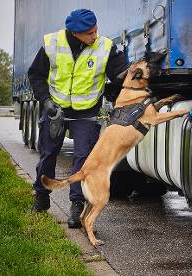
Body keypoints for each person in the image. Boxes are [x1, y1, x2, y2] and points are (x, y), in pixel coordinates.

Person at [28, 8, 128, 228]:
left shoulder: (106, 47)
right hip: (55, 107)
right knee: (48, 153)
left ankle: (76, 205)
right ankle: (41, 196)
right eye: (90, 34)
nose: (95, 36)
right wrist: (46, 101)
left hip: (87, 111)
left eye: (96, 31)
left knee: (83, 157)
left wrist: (126, 78)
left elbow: (121, 74)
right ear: (75, 33)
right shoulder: (52, 43)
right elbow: (36, 75)